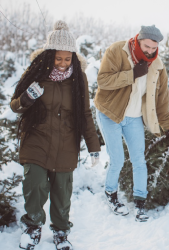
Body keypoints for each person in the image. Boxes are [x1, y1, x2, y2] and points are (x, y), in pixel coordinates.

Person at [10, 20, 101, 250]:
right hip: (37, 140)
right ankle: (32, 227)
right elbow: (15, 106)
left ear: (73, 57)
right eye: (57, 58)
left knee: (62, 192)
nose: (62, 64)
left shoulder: (78, 78)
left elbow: (85, 114)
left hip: (66, 144)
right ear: (49, 55)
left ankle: (61, 232)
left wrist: (94, 146)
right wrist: (28, 98)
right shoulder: (37, 73)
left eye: (67, 58)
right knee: (36, 184)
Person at [94, 25, 169, 222]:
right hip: (110, 113)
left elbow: (161, 100)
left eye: (153, 48)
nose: (149, 51)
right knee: (118, 159)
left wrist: (168, 126)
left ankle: (140, 202)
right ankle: (111, 194)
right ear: (138, 40)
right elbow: (103, 81)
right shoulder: (117, 50)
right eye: (146, 46)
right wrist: (132, 74)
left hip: (134, 117)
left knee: (139, 160)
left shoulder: (157, 66)